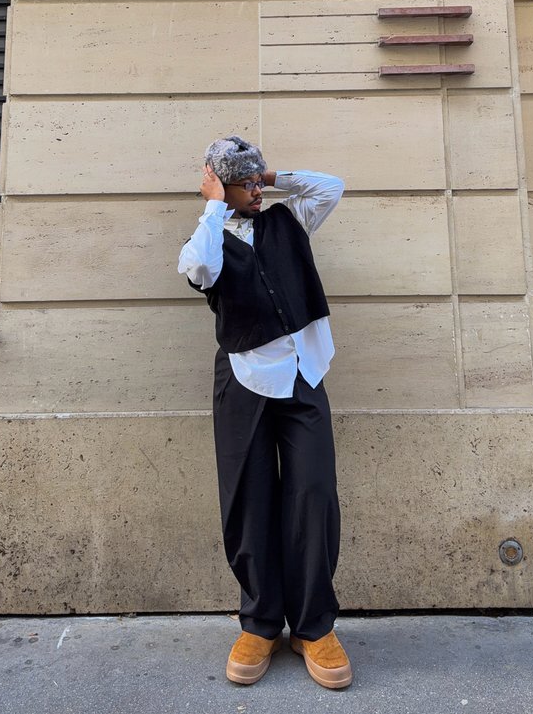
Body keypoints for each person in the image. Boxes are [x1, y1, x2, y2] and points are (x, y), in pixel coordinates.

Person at [177, 135, 352, 690]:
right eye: (244, 182)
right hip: (245, 379)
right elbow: (199, 270)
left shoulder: (286, 220)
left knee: (314, 495)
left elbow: (330, 186)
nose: (256, 189)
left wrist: (264, 176)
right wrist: (214, 203)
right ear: (219, 186)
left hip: (303, 375)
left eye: (257, 181)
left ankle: (313, 627)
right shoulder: (206, 238)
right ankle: (258, 622)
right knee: (248, 501)